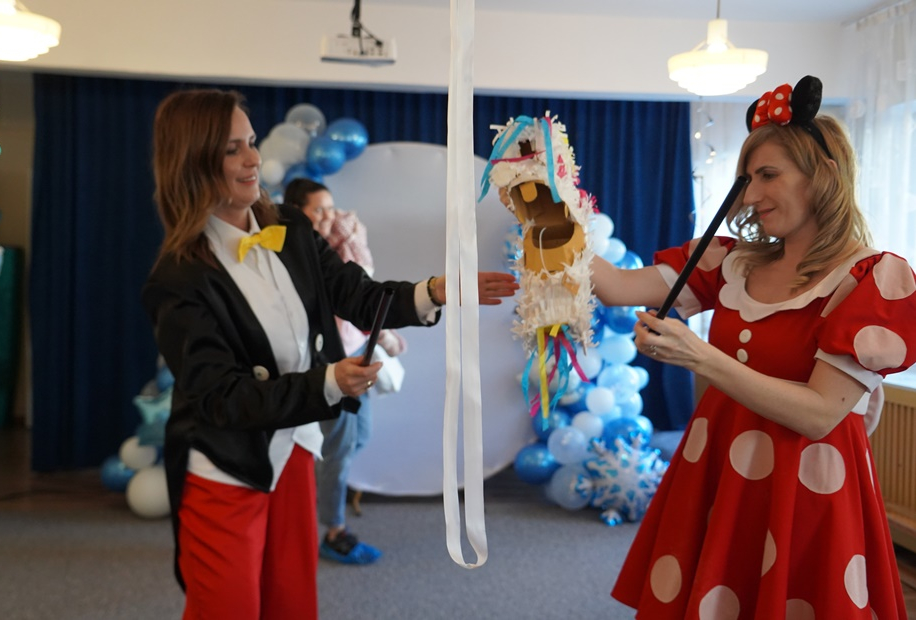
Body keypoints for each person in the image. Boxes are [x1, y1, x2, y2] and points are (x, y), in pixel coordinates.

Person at [141, 88, 518, 620]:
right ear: (193, 161)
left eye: (252, 142)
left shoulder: (292, 228)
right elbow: (221, 398)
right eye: (232, 149)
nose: (253, 159)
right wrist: (328, 383)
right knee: (227, 608)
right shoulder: (177, 280)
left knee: (291, 601)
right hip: (225, 465)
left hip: (294, 448)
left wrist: (435, 290)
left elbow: (357, 295)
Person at [588, 77, 915, 618]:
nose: (750, 196)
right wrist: (544, 209)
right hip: (719, 471)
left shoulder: (870, 279)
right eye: (746, 179)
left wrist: (699, 357)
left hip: (806, 488)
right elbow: (616, 286)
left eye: (768, 175)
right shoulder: (733, 262)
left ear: (824, 175)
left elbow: (818, 415)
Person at [284, 177, 406, 564]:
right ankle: (334, 530)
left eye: (330, 208)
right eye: (317, 210)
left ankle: (307, 498)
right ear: (296, 212)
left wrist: (385, 336)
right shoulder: (295, 257)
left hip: (357, 357)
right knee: (338, 450)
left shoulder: (341, 248)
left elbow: (362, 296)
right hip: (330, 365)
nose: (328, 216)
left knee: (356, 439)